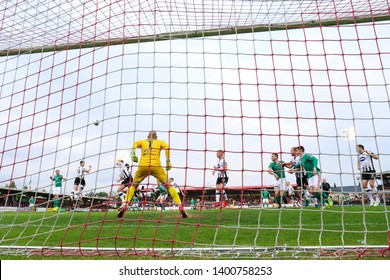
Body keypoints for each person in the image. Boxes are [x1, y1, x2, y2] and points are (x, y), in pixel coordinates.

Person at [119, 131, 188, 218]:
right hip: (156, 167)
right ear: (156, 137)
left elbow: (135, 143)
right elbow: (167, 147)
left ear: (147, 136)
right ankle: (180, 206)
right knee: (169, 186)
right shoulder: (160, 142)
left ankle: (125, 205)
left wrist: (133, 154)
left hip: (143, 166)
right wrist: (168, 160)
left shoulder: (142, 142)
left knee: (133, 186)